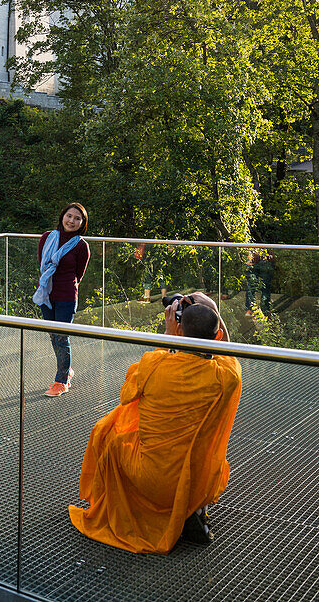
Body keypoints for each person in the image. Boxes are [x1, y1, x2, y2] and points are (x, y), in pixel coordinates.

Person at [69, 292, 242, 553]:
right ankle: (191, 509)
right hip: (199, 480)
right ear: (217, 336)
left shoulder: (153, 364)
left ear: (179, 329)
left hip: (153, 481)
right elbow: (229, 351)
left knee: (108, 434)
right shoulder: (226, 377)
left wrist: (168, 336)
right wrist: (215, 311)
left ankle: (132, 514)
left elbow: (127, 394)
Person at [33, 202, 90, 398]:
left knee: (61, 337)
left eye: (77, 218)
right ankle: (66, 370)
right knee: (53, 335)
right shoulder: (47, 237)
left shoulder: (81, 246)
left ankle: (61, 381)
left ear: (82, 223)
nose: (72, 221)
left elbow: (79, 274)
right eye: (69, 216)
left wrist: (66, 286)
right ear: (62, 216)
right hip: (46, 294)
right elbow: (42, 265)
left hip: (66, 296)